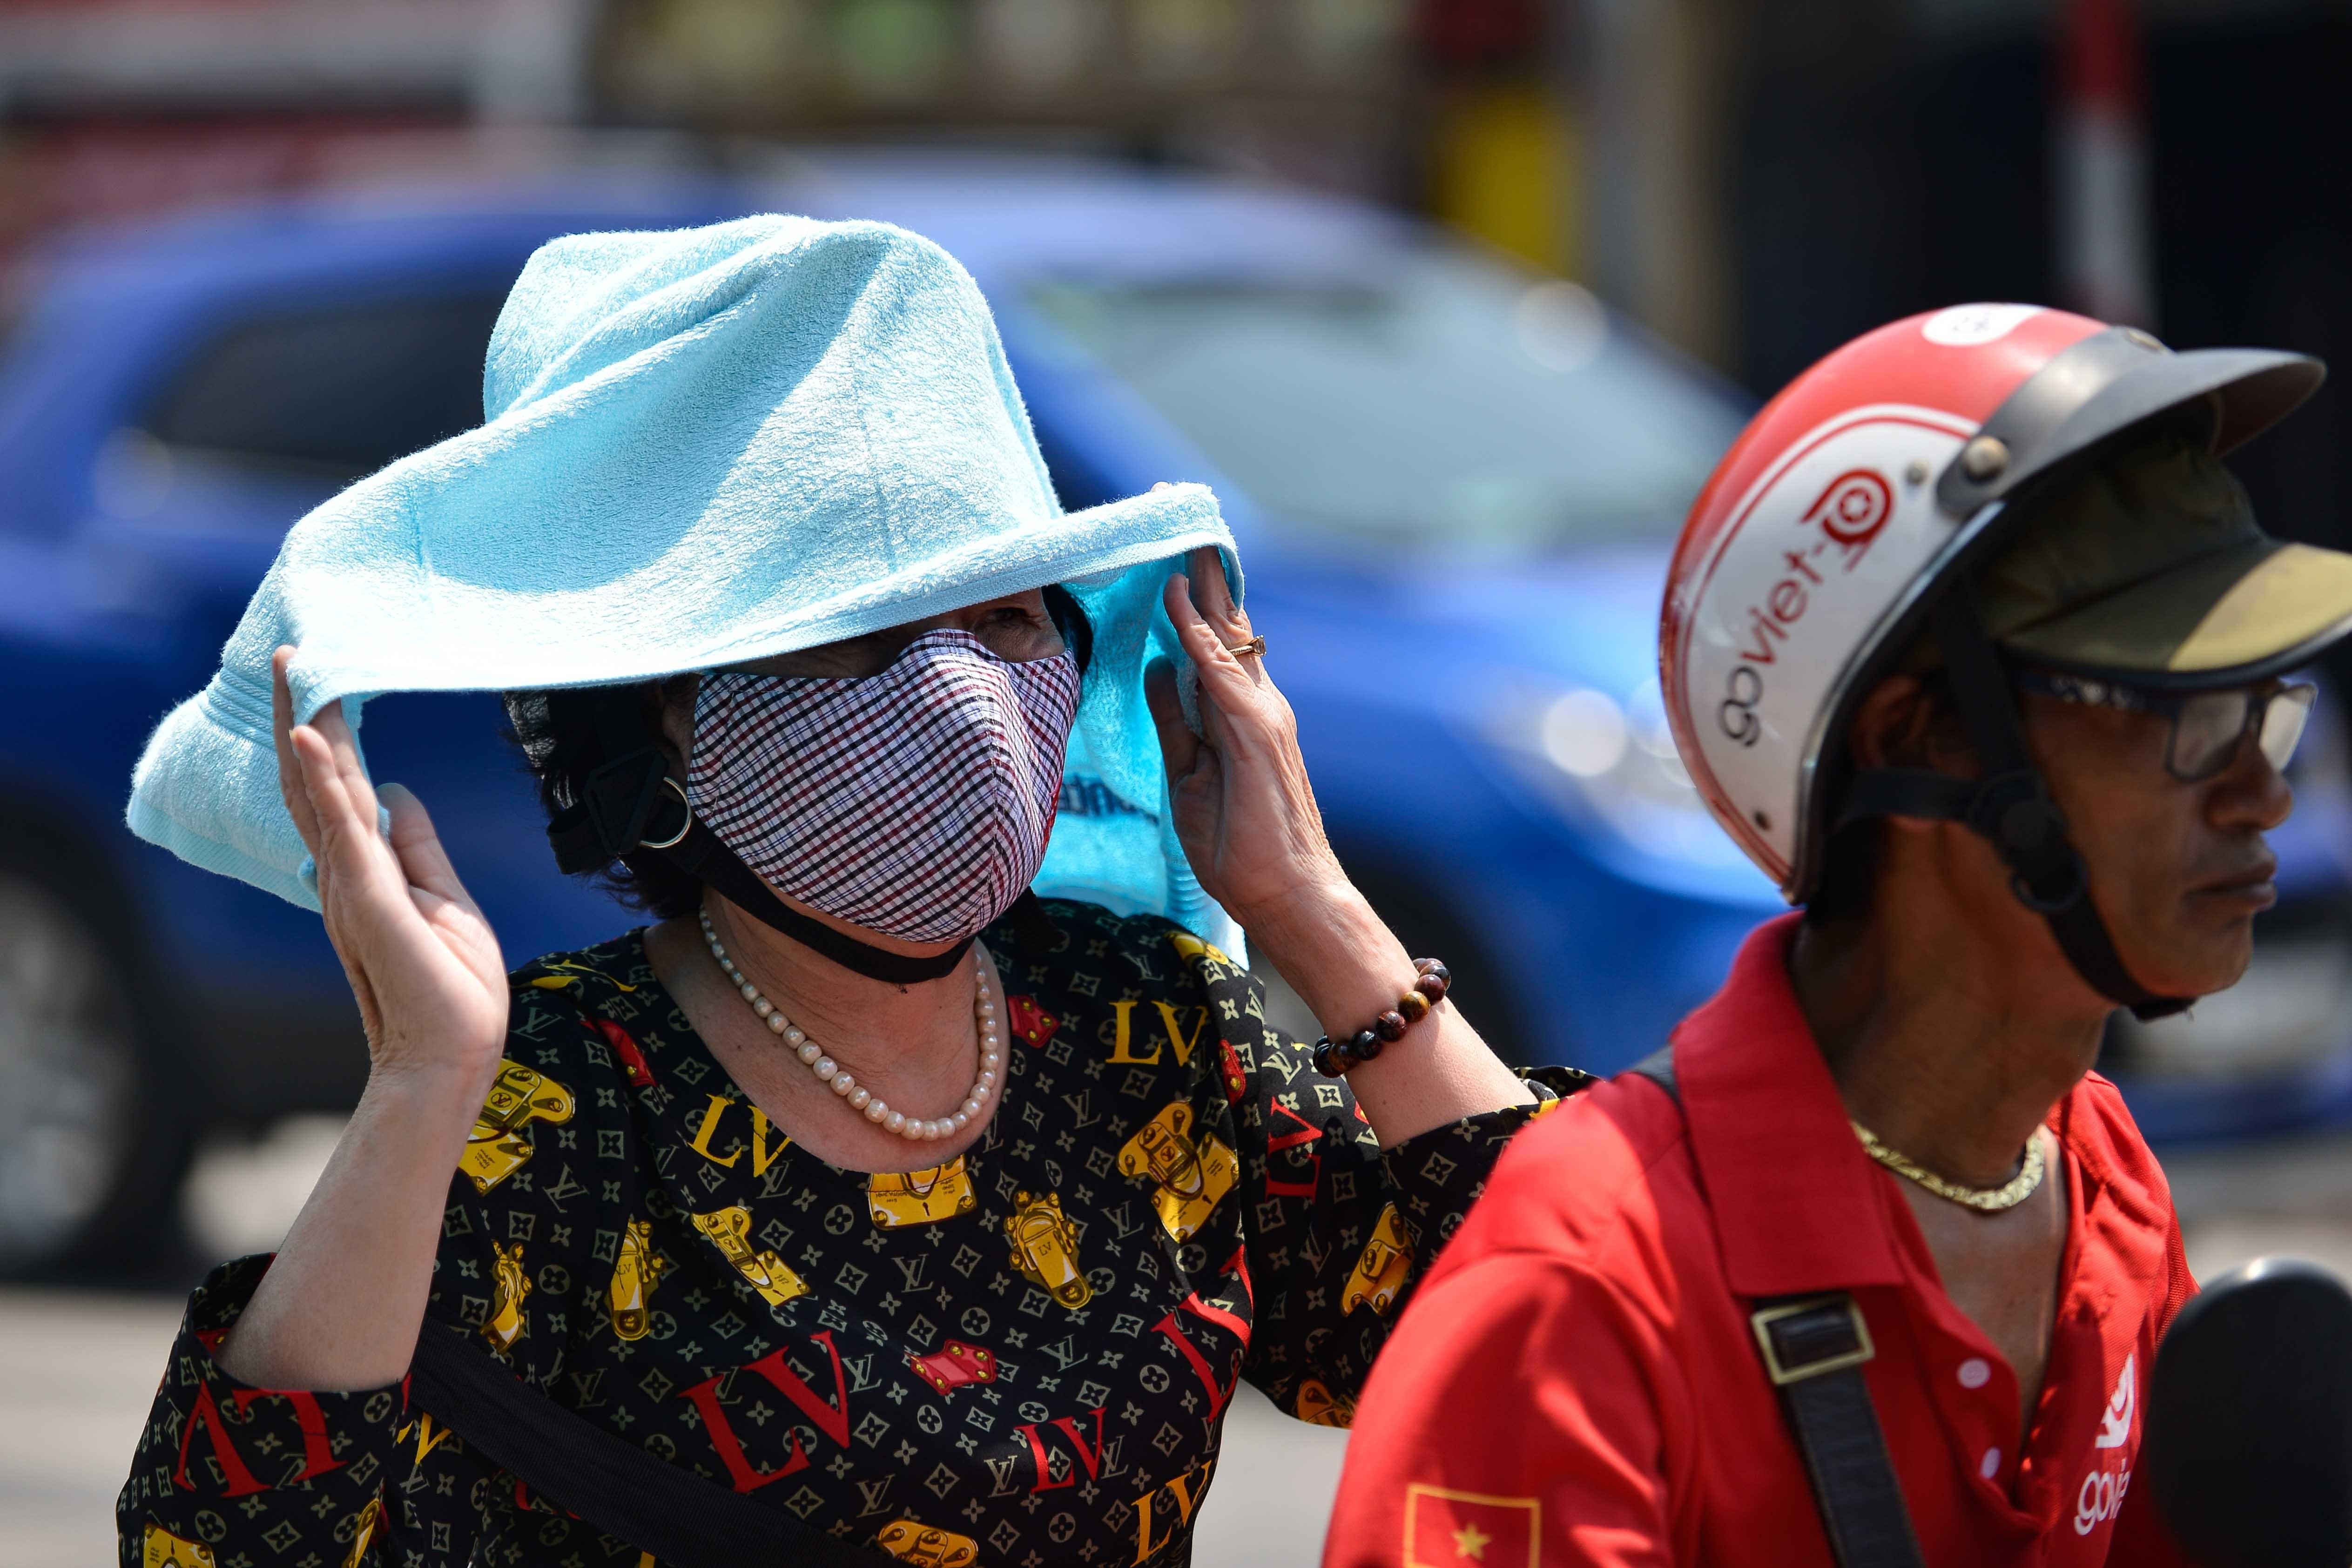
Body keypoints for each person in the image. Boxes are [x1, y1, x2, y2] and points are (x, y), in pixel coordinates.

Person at [114, 217, 1573, 1568]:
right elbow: (238, 1544)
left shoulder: (1151, 1026)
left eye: (1002, 618)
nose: (957, 697)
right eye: (859, 642)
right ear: (667, 721)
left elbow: (1558, 1331)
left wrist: (1313, 907)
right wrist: (425, 1076)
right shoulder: (547, 1109)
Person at [1323, 304, 2352, 1567]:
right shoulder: (1586, 1281)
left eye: (2271, 709)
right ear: (1921, 737)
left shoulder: (2102, 1175)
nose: (2264, 793)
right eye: (2187, 715)